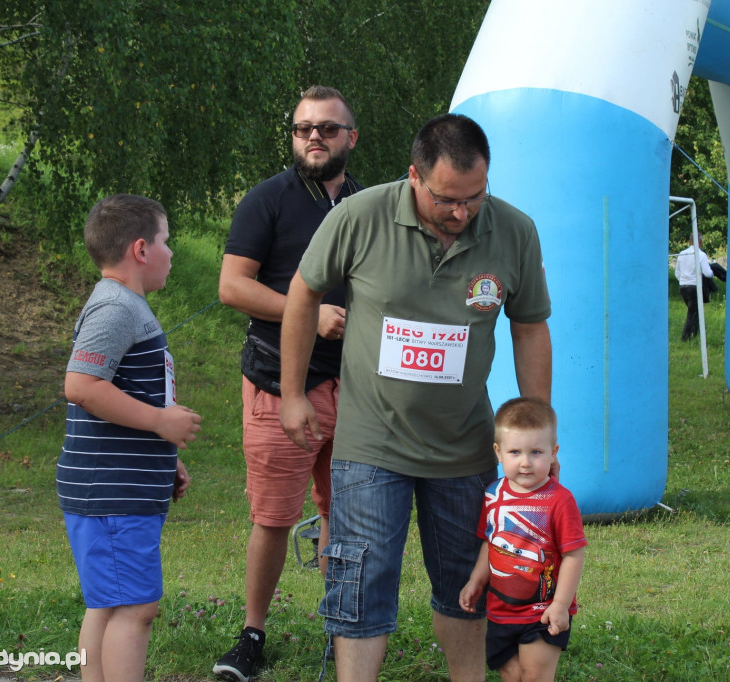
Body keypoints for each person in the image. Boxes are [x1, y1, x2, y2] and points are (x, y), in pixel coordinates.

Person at [280, 113, 554, 682]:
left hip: (462, 448)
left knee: (467, 583)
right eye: (447, 200)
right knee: (361, 581)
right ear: (414, 177)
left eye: (474, 198)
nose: (461, 212)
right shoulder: (359, 217)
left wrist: (538, 429)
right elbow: (303, 295)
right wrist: (292, 392)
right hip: (370, 442)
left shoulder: (513, 231)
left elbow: (529, 327)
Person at [214, 85, 361, 682]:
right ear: (293, 137)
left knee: (345, 511)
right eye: (304, 129)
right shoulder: (267, 199)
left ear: (351, 137)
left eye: (327, 128)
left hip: (357, 388)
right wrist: (308, 312)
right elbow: (232, 287)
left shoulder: (368, 202)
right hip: (280, 383)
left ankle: (341, 629)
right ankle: (252, 634)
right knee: (274, 517)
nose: (314, 137)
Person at [56, 194, 202, 682]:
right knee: (134, 609)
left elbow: (125, 394)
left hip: (115, 488)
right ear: (141, 250)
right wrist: (162, 424)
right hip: (110, 493)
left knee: (108, 605)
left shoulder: (124, 305)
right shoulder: (117, 307)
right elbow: (81, 386)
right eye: (167, 242)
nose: (172, 252)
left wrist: (164, 458)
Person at [459, 398, 586, 682]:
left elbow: (574, 555)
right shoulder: (493, 494)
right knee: (512, 674)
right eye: (515, 452)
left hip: (543, 610)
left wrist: (561, 605)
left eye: (537, 452)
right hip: (501, 610)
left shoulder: (559, 500)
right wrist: (476, 581)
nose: (526, 462)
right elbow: (488, 541)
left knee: (534, 675)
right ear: (498, 452)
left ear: (554, 453)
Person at [674, 232, 715, 341]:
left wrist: (683, 280)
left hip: (682, 287)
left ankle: (696, 333)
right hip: (694, 287)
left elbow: (677, 272)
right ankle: (685, 337)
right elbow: (707, 273)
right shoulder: (701, 255)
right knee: (692, 313)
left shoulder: (682, 254)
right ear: (700, 242)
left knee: (695, 311)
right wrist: (713, 272)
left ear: (689, 241)